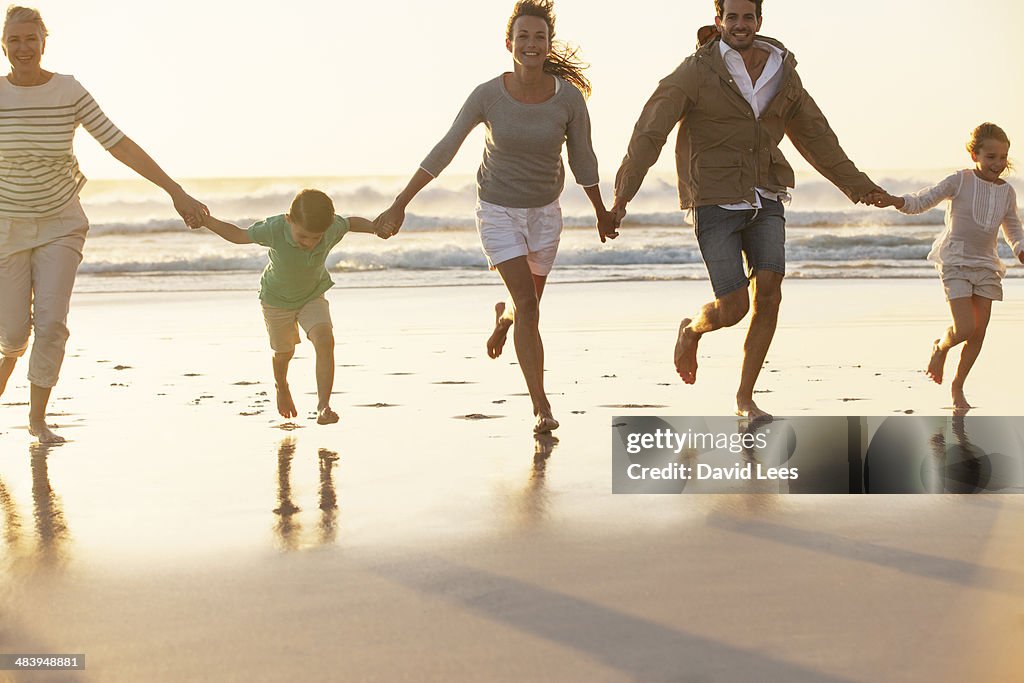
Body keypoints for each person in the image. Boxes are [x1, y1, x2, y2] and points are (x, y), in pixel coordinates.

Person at [611, 0, 885, 420]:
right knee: (734, 307)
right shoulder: (696, 72)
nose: (741, 25)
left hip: (767, 193)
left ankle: (744, 397)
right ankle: (692, 329)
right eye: (732, 17)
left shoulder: (782, 72)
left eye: (748, 17)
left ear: (760, 20)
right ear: (718, 20)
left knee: (770, 292)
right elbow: (651, 129)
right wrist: (623, 196)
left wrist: (860, 187)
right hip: (713, 199)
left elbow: (816, 136)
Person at [374, 0, 617, 434]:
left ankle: (503, 320)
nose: (531, 43)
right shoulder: (488, 94)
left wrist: (601, 210)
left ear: (548, 45)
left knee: (527, 309)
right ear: (509, 43)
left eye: (538, 37)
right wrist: (401, 201)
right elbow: (446, 147)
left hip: (545, 214)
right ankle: (541, 406)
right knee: (530, 306)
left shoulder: (569, 100)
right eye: (522, 36)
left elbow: (584, 157)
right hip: (498, 211)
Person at [0, 6, 208, 443]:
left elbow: (118, 144)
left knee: (52, 323)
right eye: (14, 40)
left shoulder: (69, 91)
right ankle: (12, 351)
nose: (23, 48)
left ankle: (37, 420)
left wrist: (175, 190)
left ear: (44, 42)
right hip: (6, 226)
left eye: (31, 39)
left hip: (61, 221)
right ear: (4, 45)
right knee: (15, 329)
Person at [197, 189, 391, 425]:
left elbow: (349, 223)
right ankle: (282, 385)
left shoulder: (331, 227)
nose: (310, 244)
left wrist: (374, 227)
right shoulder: (274, 229)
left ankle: (323, 407)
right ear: (290, 220)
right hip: (276, 300)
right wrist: (206, 220)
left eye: (316, 238)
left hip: (312, 294)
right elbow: (238, 235)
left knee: (325, 340)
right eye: (303, 237)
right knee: (284, 354)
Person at [869, 123, 1024, 413]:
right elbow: (924, 200)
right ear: (974, 155)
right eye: (991, 157)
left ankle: (957, 387)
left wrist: (1019, 249)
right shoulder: (960, 180)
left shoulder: (1007, 193)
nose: (998, 164)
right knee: (964, 328)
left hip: (987, 266)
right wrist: (896, 201)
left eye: (1003, 157)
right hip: (956, 260)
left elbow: (1013, 227)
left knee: (979, 334)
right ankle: (940, 347)